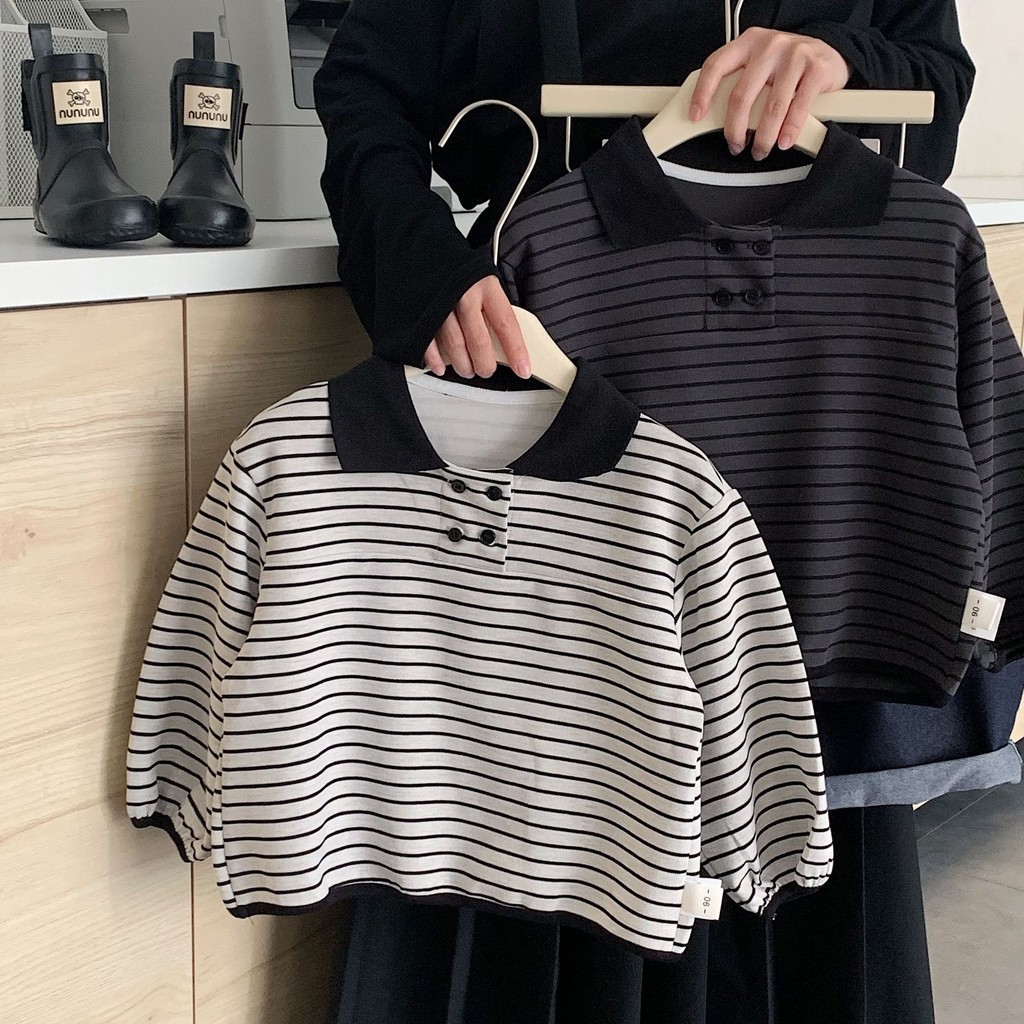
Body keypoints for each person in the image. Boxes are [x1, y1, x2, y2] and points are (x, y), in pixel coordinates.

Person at [313, 0, 974, 381]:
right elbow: (366, 87)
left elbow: (940, 82)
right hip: (545, 322)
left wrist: (849, 58)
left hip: (836, 335)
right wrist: (412, 256)